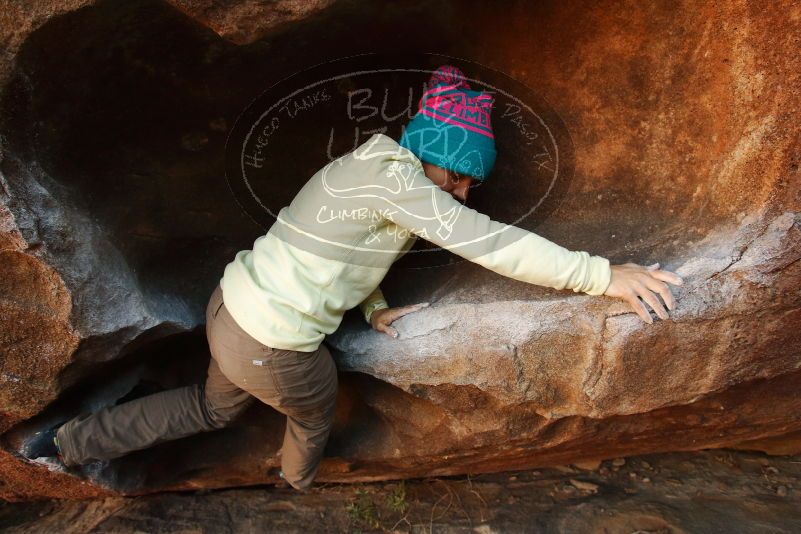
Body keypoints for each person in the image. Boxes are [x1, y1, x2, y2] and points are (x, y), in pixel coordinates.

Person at [22, 65, 682, 491]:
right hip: (272, 342)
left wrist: (374, 310)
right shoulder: (405, 190)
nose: (463, 192)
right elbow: (490, 244)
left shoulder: (368, 169)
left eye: (469, 182)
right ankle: (296, 483)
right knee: (313, 409)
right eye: (458, 176)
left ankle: (61, 442)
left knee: (211, 406)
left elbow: (338, 250)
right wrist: (601, 276)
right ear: (432, 156)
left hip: (232, 309)